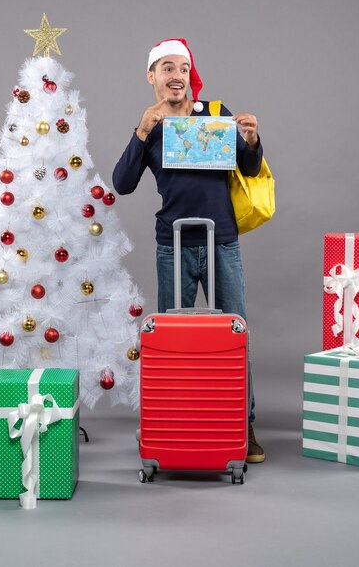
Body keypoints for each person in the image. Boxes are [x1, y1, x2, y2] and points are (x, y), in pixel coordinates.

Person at [112, 38, 265, 463]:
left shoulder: (216, 116)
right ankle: (173, 422)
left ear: (188, 75)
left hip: (222, 242)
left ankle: (242, 425)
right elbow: (121, 183)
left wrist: (250, 141)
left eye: (182, 68)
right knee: (174, 342)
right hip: (173, 245)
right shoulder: (153, 126)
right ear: (152, 77)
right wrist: (142, 130)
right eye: (166, 67)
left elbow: (248, 168)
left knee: (236, 336)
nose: (176, 75)